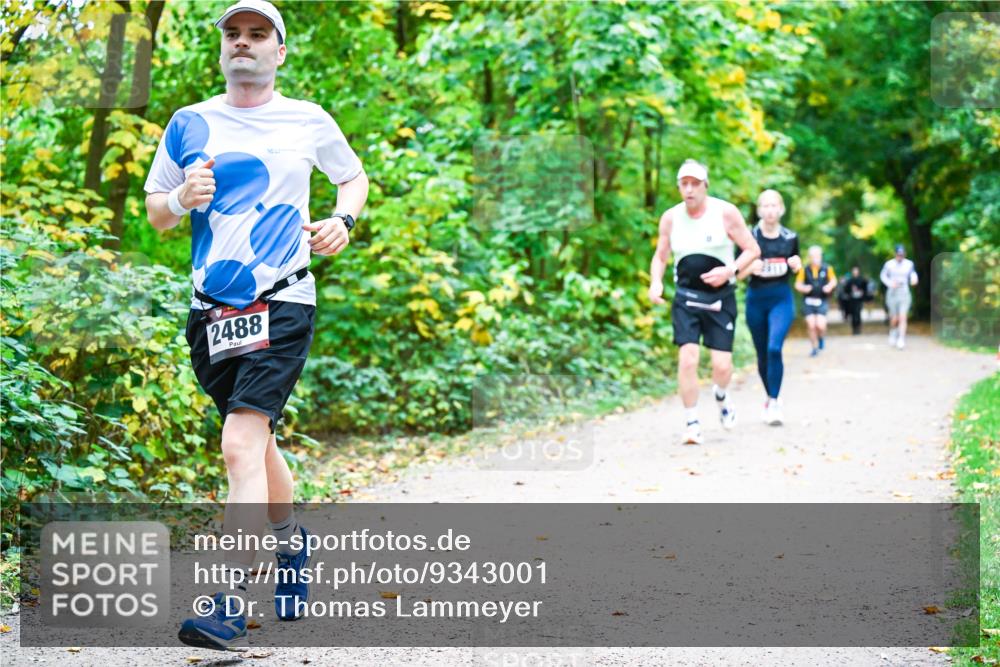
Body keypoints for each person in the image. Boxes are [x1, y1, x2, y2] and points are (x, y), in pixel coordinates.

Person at [143, 0, 369, 651]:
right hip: (211, 312)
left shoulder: (307, 119)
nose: (244, 43)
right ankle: (293, 541)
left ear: (280, 50)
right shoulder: (189, 123)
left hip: (283, 301)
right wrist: (180, 199)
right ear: (222, 49)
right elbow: (158, 212)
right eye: (234, 34)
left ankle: (228, 598)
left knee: (240, 445)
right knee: (258, 441)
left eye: (258, 34)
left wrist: (342, 222)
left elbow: (352, 178)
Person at [649, 159, 760, 444]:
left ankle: (721, 396)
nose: (689, 190)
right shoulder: (671, 218)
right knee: (688, 358)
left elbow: (753, 249)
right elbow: (661, 256)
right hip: (686, 298)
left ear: (705, 186)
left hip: (720, 298)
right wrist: (656, 282)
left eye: (695, 184)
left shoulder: (725, 213)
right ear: (678, 187)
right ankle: (692, 422)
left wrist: (730, 271)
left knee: (721, 366)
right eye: (684, 184)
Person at [739, 189, 800, 426]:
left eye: (774, 205)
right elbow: (736, 273)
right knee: (762, 353)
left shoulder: (790, 237)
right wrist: (748, 269)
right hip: (756, 299)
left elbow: (796, 265)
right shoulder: (749, 238)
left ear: (781, 209)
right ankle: (769, 397)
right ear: (759, 210)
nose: (770, 210)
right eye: (765, 205)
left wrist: (797, 265)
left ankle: (774, 402)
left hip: (781, 298)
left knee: (774, 348)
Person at [794, 246, 837, 357]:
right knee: (811, 324)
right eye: (812, 256)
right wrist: (803, 288)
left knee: (820, 325)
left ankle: (821, 337)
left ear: (821, 256)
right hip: (808, 301)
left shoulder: (827, 268)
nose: (815, 258)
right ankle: (814, 347)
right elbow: (797, 284)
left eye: (817, 256)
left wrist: (829, 286)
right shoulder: (804, 269)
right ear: (809, 257)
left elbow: (833, 281)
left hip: (821, 300)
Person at [880, 244, 918, 350]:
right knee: (894, 318)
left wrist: (914, 279)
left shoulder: (909, 264)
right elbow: (883, 276)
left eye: (902, 254)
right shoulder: (889, 264)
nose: (900, 256)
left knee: (903, 316)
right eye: (898, 254)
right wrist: (890, 283)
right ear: (895, 254)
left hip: (904, 291)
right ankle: (893, 331)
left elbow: (913, 274)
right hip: (892, 292)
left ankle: (901, 339)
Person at [843, 265, 868, 335]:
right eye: (854, 270)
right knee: (853, 314)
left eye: (856, 270)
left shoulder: (862, 280)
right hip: (852, 300)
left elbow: (865, 289)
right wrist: (850, 292)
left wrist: (863, 294)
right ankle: (854, 328)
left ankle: (858, 328)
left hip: (859, 300)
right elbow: (846, 290)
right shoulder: (850, 281)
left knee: (858, 313)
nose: (855, 272)